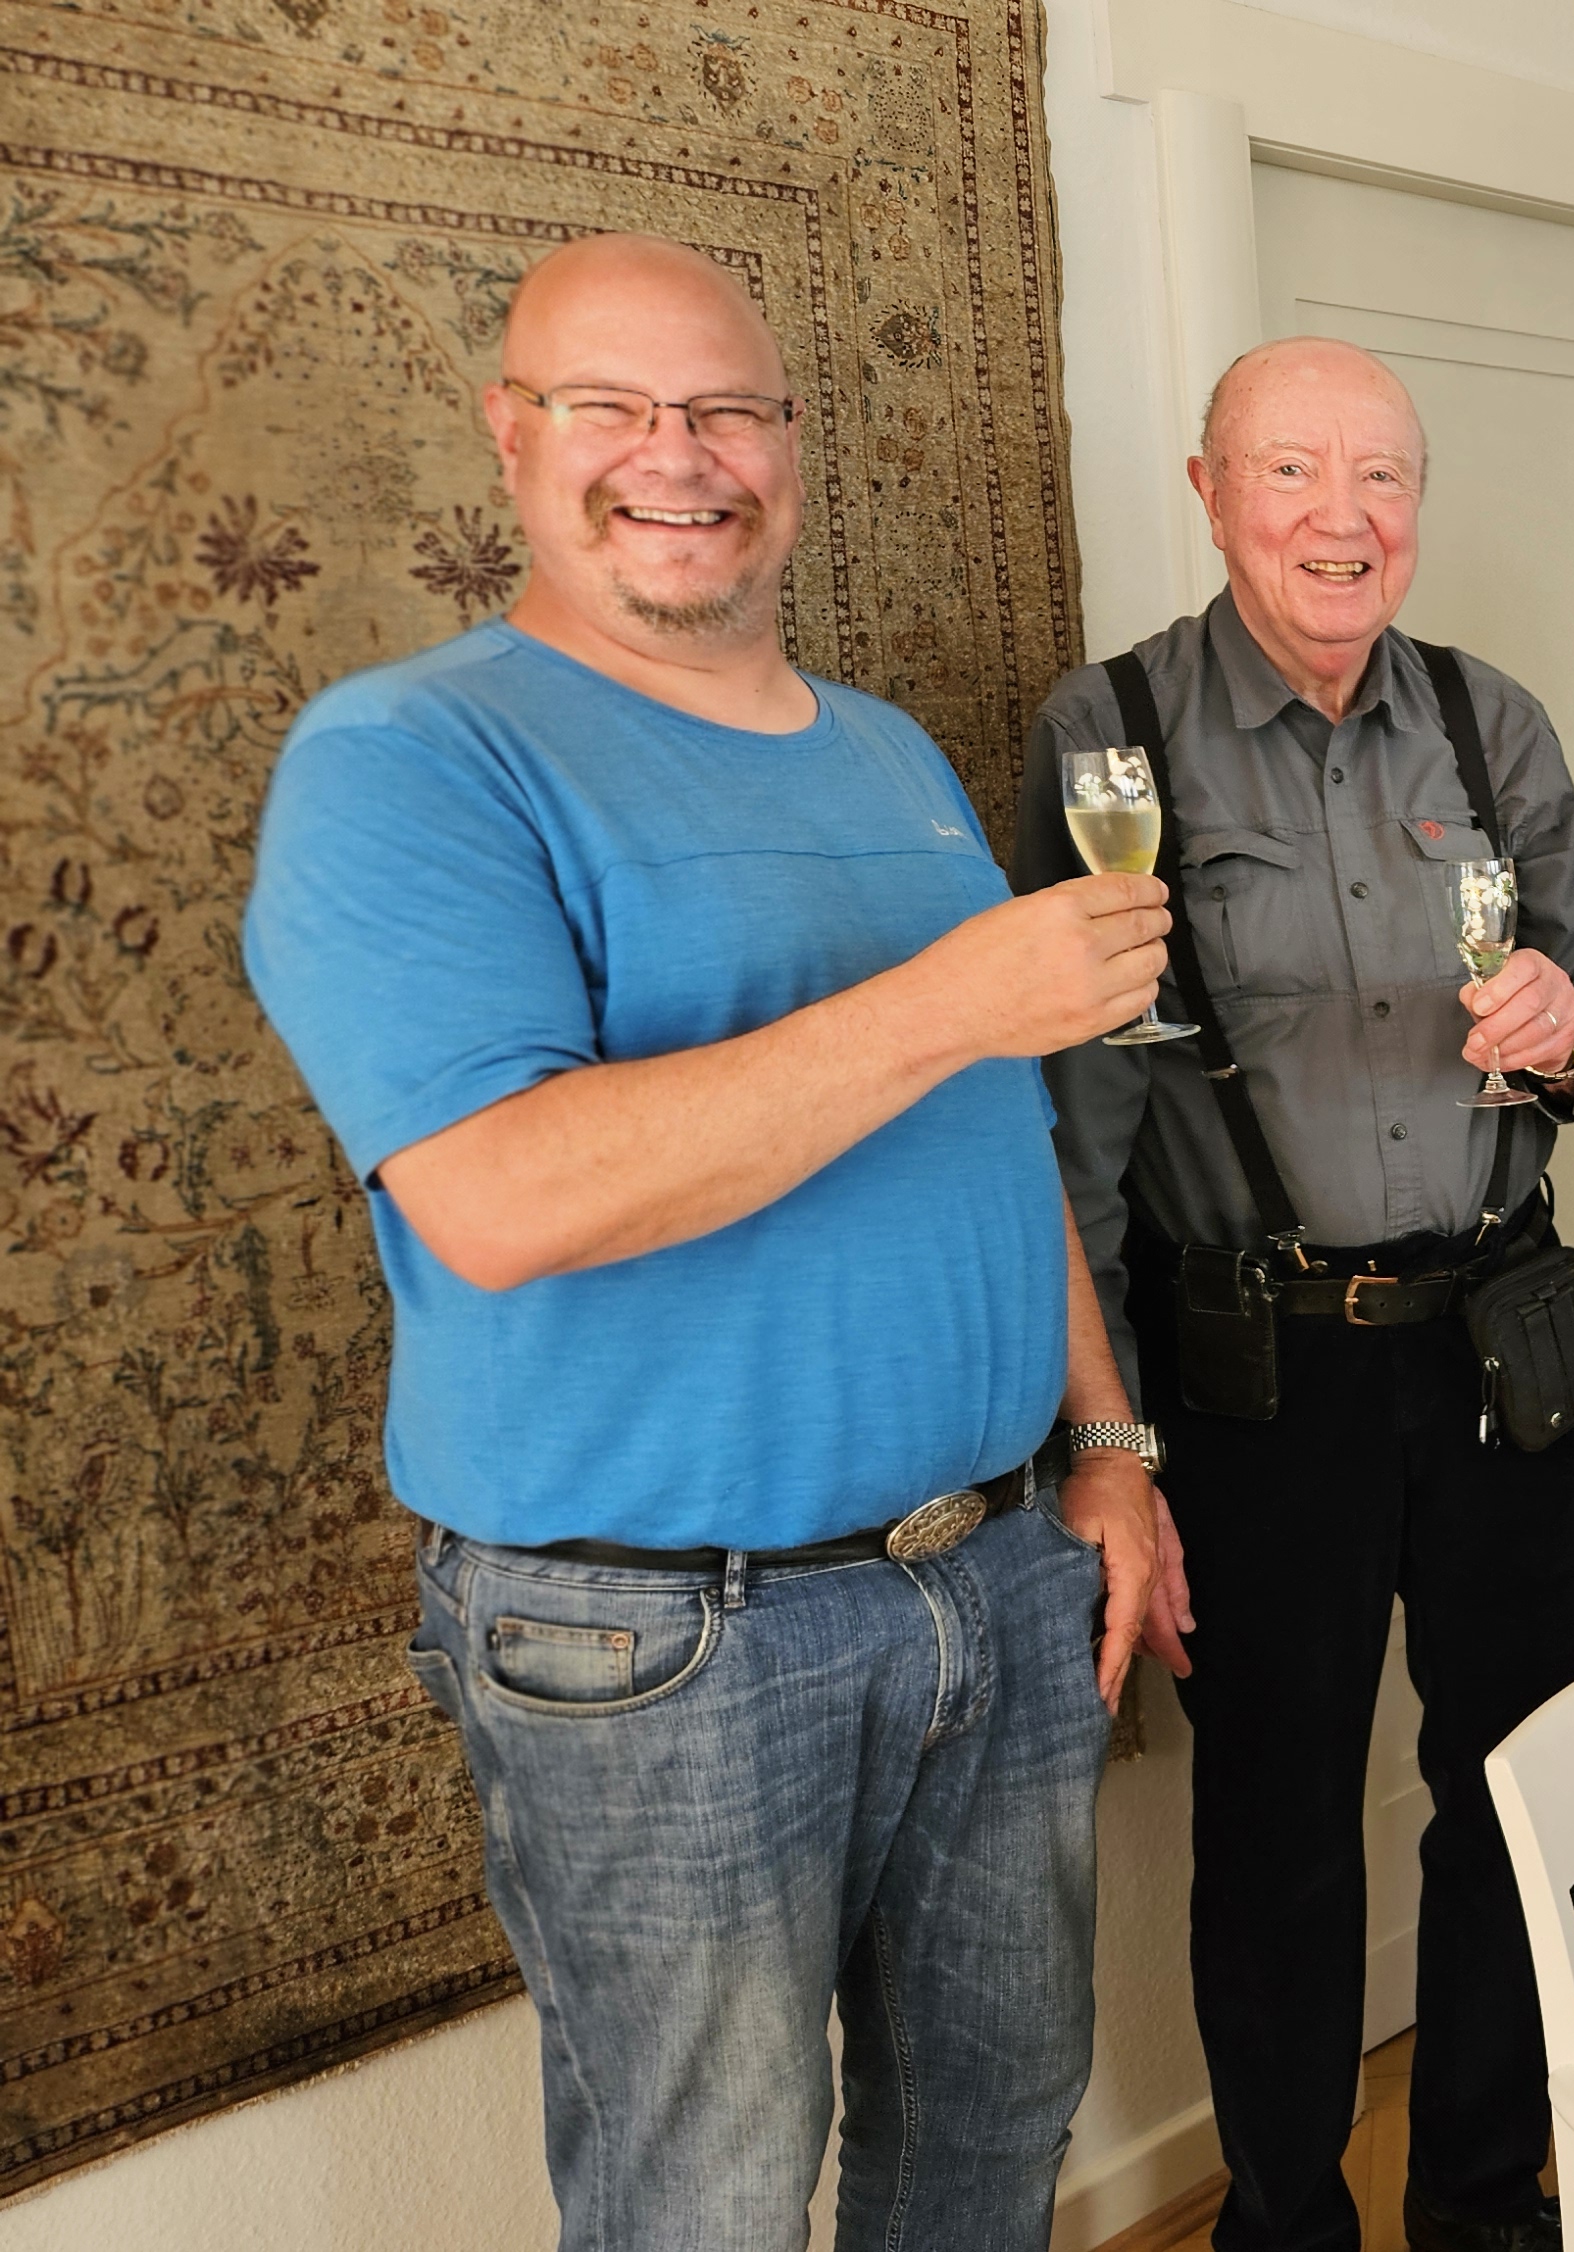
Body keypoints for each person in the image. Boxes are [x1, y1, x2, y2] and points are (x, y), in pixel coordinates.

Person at [239, 233, 1177, 2250]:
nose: (679, 454)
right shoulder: (409, 758)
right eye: (613, 406)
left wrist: (1106, 1444)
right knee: (709, 2207)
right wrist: (953, 997)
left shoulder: (886, 751)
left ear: (792, 446)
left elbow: (1001, 1131)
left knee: (991, 2150)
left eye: (729, 409)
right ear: (512, 435)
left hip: (993, 1579)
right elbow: (501, 1196)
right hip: (663, 1640)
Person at [1018, 336, 1574, 2252]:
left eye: (1382, 476)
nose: (1342, 517)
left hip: (1503, 1353)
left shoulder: (1485, 718)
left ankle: (1482, 2199)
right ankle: (1286, 2222)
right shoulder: (1111, 732)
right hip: (1258, 1377)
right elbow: (1070, 1122)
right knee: (1277, 1830)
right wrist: (1108, 1440)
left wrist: (1567, 1031)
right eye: (1293, 471)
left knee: (1510, 1799)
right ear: (1211, 494)